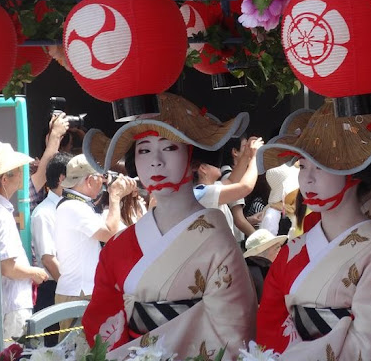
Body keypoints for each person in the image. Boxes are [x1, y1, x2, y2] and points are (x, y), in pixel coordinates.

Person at [81, 92, 256, 359]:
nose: (155, 161)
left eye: (170, 147)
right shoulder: (118, 246)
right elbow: (100, 320)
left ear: (193, 156)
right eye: (144, 150)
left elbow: (233, 331)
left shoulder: (218, 241)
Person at [256, 96, 371, 359]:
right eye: (303, 166)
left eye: (323, 166)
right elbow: (269, 326)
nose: (308, 178)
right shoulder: (294, 249)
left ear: (356, 169)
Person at [55, 154, 135, 337]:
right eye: (101, 177)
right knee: (78, 352)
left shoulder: (77, 205)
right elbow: (110, 233)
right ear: (90, 180)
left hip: (80, 291)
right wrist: (115, 196)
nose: (103, 182)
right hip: (79, 293)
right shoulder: (74, 207)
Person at [0, 138, 49, 345]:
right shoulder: (0, 214)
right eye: (16, 170)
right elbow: (8, 267)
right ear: (4, 180)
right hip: (13, 304)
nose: (21, 174)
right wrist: (35, 272)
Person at [31, 151, 72, 346]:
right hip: (54, 289)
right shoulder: (44, 213)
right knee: (53, 349)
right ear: (63, 178)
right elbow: (48, 258)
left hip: (68, 288)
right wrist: (68, 288)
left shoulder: (73, 207)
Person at [192, 142, 262, 238]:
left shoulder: (208, 189)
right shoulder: (202, 193)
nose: (219, 166)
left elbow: (231, 181)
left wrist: (246, 154)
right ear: (203, 168)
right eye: (214, 164)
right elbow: (245, 187)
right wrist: (254, 158)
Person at [29, 113, 70, 211]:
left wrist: (54, 140)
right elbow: (43, 172)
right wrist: (55, 134)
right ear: (4, 179)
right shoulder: (22, 193)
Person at [244, 229, 287, 301]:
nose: (280, 251)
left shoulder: (249, 269)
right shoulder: (258, 272)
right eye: (277, 248)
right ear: (263, 252)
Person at [260, 163, 299, 237]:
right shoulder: (272, 215)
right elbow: (268, 243)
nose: (298, 191)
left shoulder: (306, 206)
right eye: (294, 190)